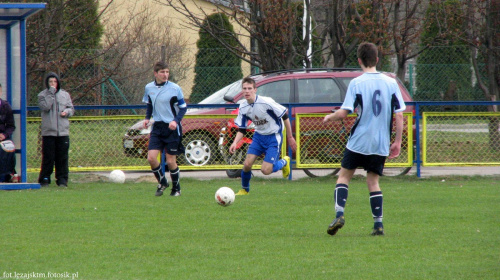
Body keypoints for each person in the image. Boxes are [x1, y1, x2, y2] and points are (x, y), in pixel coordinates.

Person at [323, 42, 405, 236]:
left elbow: (344, 113)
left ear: (359, 60)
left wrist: (330, 117)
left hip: (359, 140)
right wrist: (398, 141)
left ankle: (340, 214)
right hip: (380, 142)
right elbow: (400, 115)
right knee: (373, 182)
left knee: (343, 177)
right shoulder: (391, 82)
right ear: (377, 59)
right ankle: (378, 226)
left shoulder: (357, 83)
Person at [230, 77, 297, 195]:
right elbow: (242, 129)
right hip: (258, 136)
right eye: (244, 89)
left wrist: (290, 137)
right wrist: (235, 142)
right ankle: (245, 190)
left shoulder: (266, 102)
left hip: (273, 137)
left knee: (266, 170)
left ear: (255, 90)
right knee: (246, 164)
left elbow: (285, 115)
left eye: (249, 88)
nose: (247, 91)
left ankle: (284, 162)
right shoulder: (243, 107)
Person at [143, 61, 187, 197]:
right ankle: (162, 181)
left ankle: (176, 189)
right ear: (155, 73)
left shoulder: (175, 88)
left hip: (172, 128)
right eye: (162, 72)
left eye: (167, 72)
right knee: (151, 158)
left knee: (170, 161)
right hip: (158, 127)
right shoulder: (148, 87)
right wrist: (147, 118)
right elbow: (150, 103)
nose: (165, 75)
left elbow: (183, 107)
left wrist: (175, 121)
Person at [38, 72, 74, 187]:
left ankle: (62, 180)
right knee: (48, 157)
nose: (53, 84)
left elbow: (71, 109)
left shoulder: (65, 95)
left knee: (62, 157)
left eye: (54, 81)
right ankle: (44, 179)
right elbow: (46, 107)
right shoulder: (42, 95)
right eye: (50, 82)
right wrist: (51, 94)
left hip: (62, 132)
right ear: (47, 83)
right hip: (49, 132)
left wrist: (67, 112)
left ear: (58, 82)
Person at [0, 83, 17, 182]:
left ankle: (6, 175)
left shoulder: (6, 106)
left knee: (8, 147)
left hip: (3, 137)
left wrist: (4, 135)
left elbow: (11, 126)